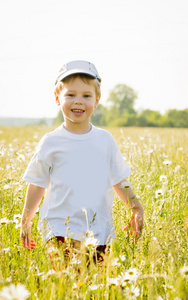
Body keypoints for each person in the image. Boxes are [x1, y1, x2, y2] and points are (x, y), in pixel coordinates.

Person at [20, 60, 144, 263]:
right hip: (60, 230)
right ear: (57, 98)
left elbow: (119, 180)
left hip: (100, 232)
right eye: (70, 94)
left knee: (98, 287)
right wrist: (26, 220)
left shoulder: (105, 140)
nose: (78, 101)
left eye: (86, 95)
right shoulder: (51, 142)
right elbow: (37, 183)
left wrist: (136, 207)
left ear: (97, 100)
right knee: (66, 285)